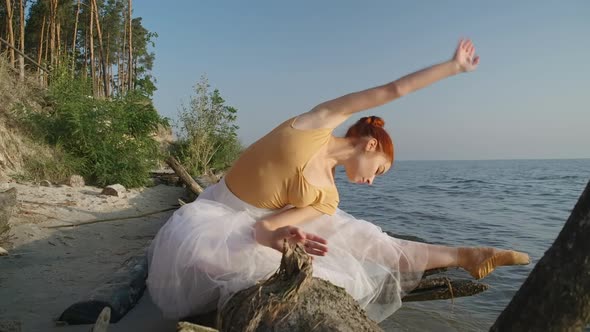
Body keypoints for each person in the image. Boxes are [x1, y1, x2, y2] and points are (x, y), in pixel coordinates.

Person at [147, 39, 530, 323]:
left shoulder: (326, 196)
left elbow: (266, 229)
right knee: (335, 247)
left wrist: (283, 240)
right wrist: (453, 67)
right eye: (379, 170)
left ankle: (468, 255)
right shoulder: (319, 121)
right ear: (370, 143)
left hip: (256, 223)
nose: (371, 182)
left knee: (373, 240)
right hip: (216, 220)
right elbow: (393, 90)